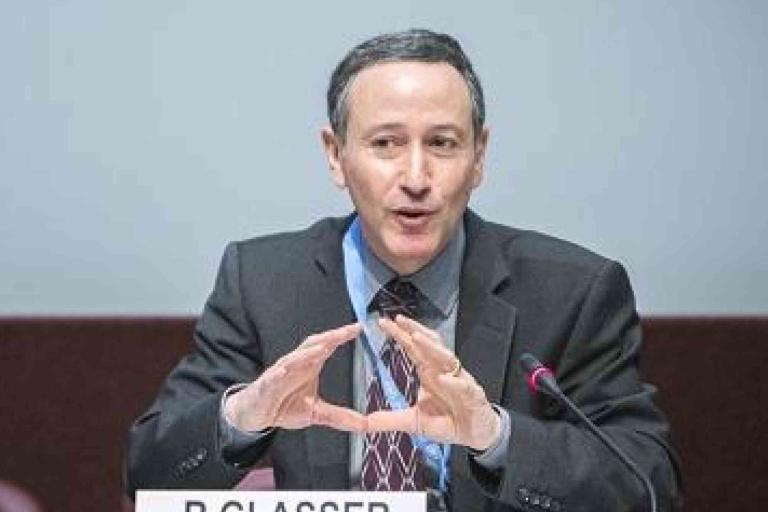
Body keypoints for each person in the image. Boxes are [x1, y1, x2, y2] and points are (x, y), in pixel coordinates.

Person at [125, 29, 682, 511]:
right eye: (386, 143)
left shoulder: (573, 291)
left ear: (479, 157)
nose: (416, 176)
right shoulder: (264, 280)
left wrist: (494, 436)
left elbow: (648, 484)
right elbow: (147, 473)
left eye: (442, 143)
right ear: (335, 155)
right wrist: (245, 415)